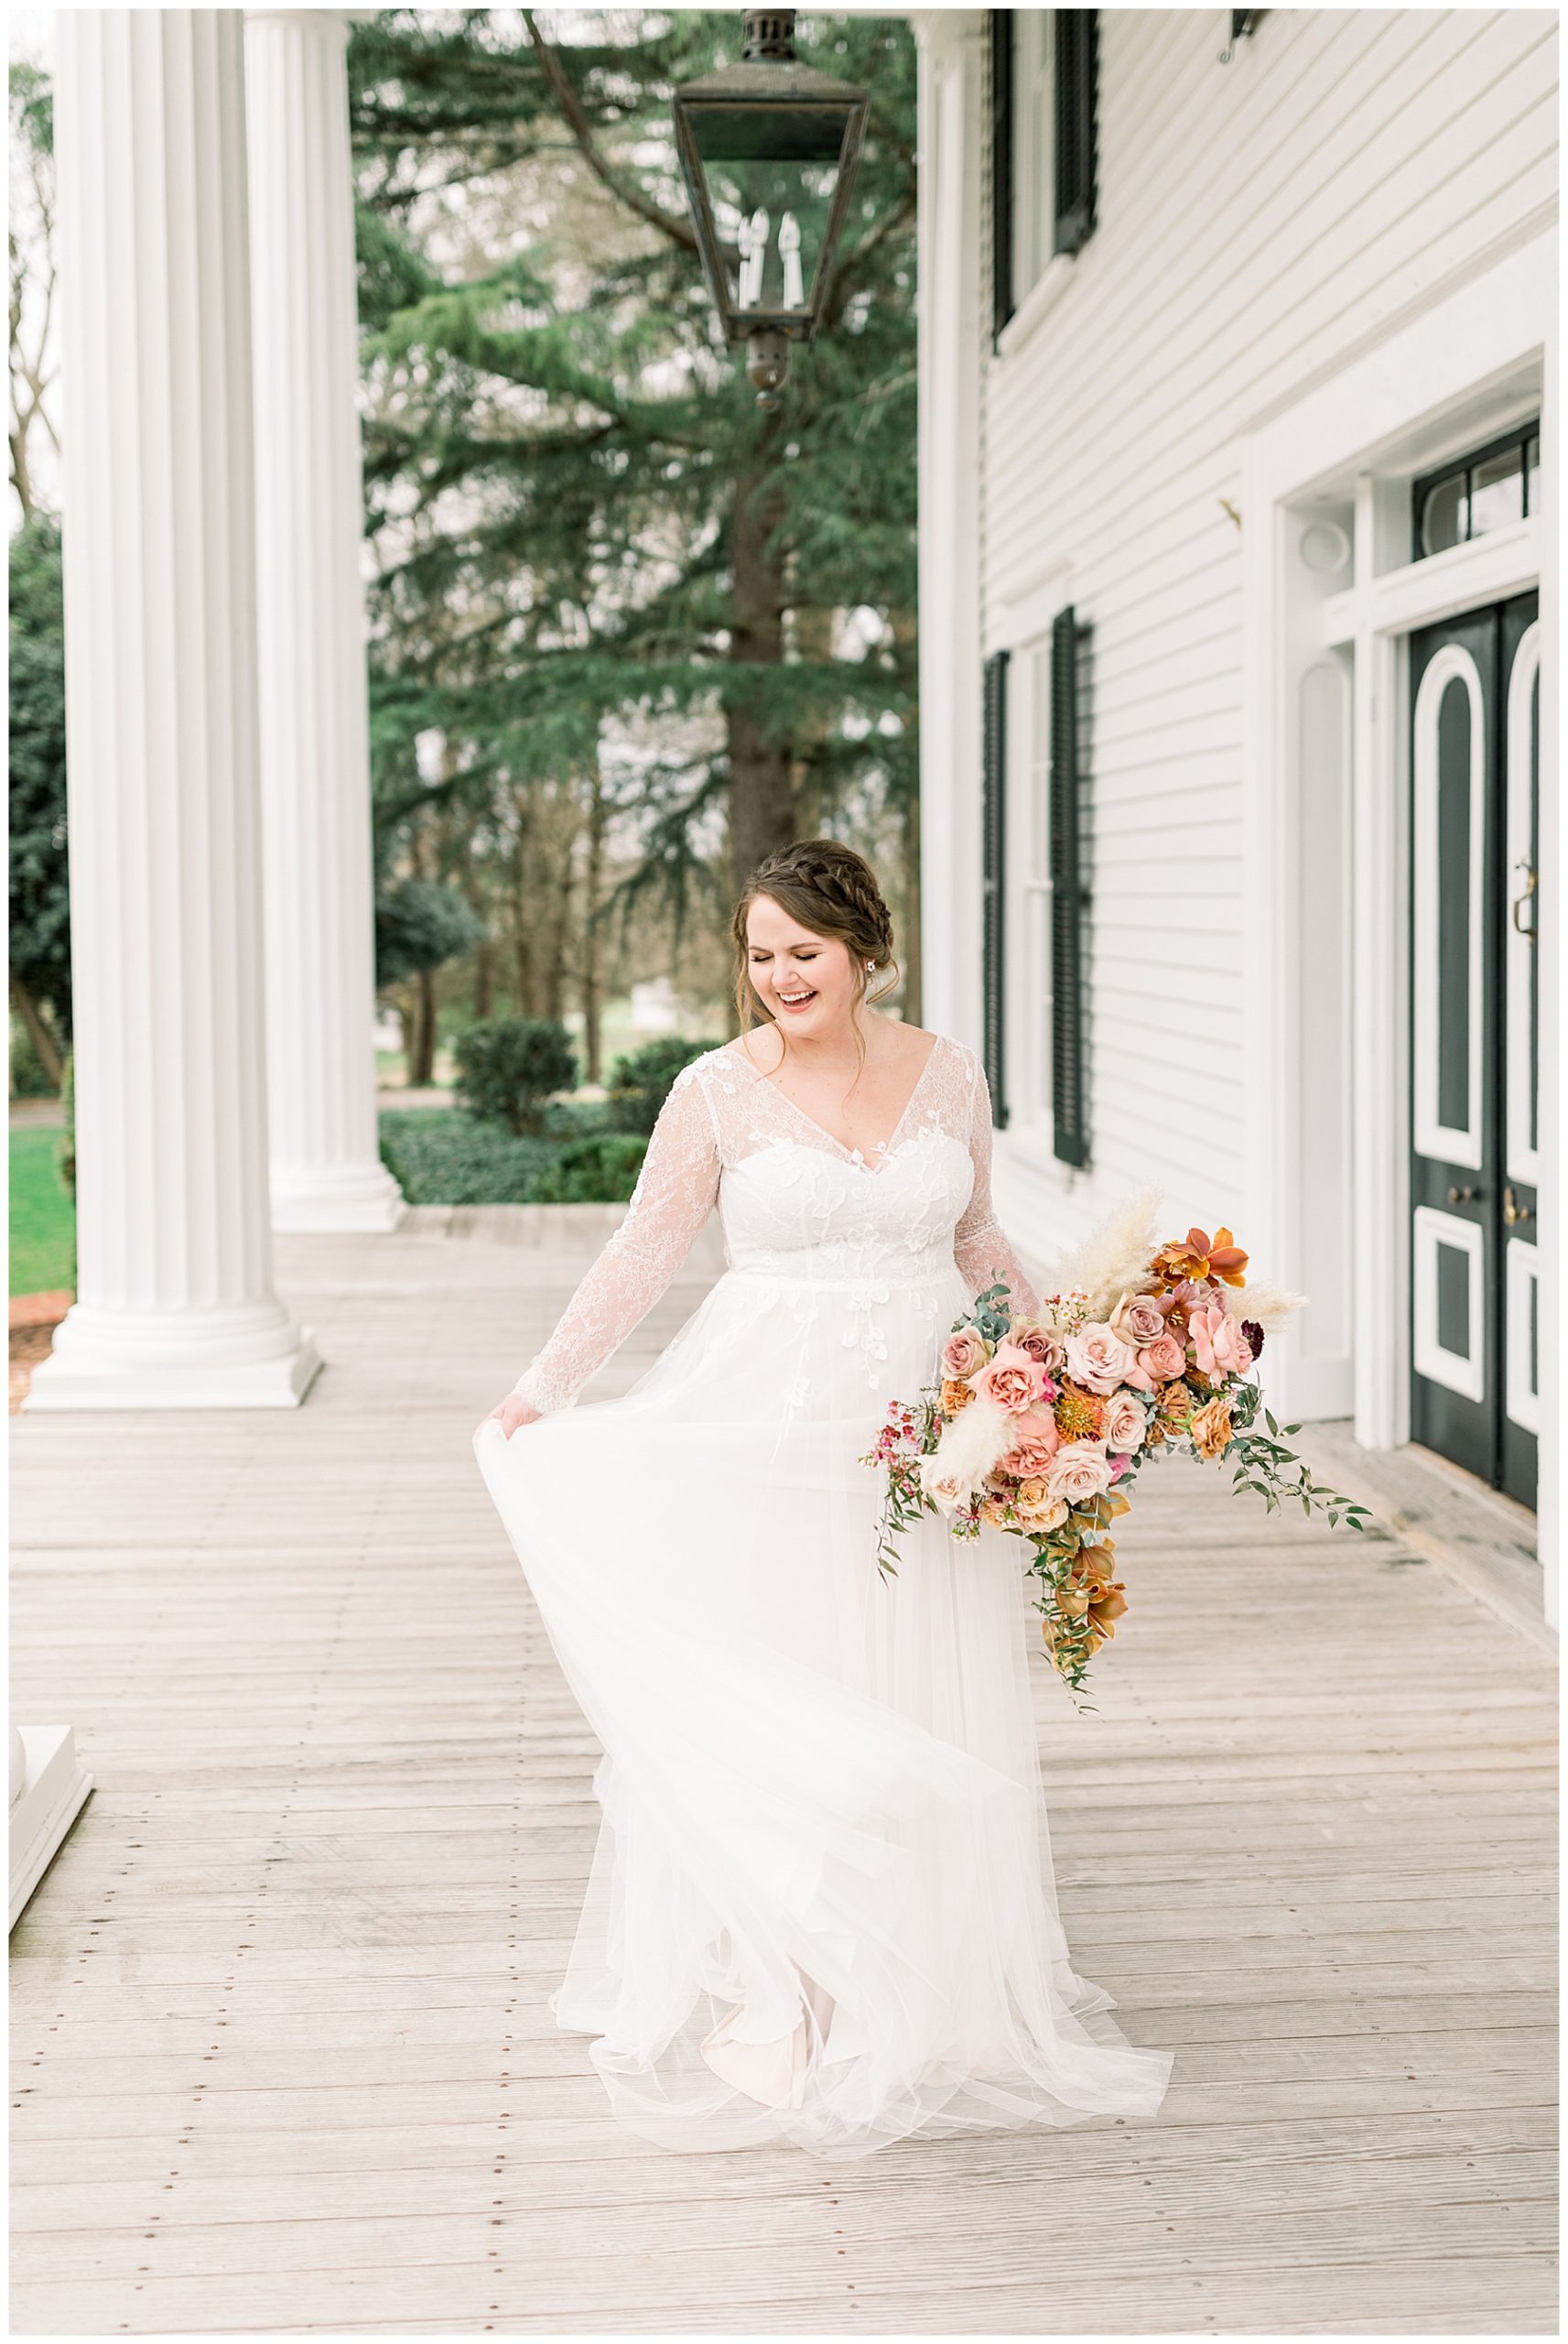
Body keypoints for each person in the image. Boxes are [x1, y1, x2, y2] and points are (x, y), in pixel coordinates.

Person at [472, 839, 1173, 2157]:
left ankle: (925, 1973)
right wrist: (538, 1393)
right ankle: (786, 1977)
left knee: (911, 1676)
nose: (779, 976)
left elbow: (972, 1240)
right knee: (788, 1676)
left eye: (803, 950)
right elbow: (643, 1251)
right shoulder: (713, 1093)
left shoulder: (945, 1069)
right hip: (764, 1418)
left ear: (862, 951)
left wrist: (1046, 1371)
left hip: (924, 1431)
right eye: (758, 954)